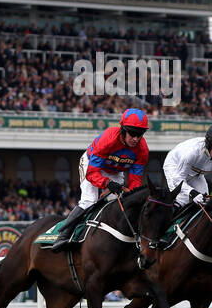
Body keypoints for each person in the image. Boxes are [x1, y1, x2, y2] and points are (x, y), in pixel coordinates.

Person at [49, 108, 150, 252]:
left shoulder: (143, 149)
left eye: (140, 134)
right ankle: (63, 236)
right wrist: (107, 183)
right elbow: (92, 173)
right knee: (89, 200)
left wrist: (133, 197)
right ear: (123, 130)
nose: (136, 139)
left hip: (114, 171)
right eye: (133, 133)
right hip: (92, 165)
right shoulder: (108, 139)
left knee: (123, 203)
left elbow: (135, 181)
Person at [163, 123, 212, 209]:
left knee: (204, 200)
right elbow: (178, 180)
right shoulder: (193, 152)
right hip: (175, 165)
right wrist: (192, 193)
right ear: (208, 144)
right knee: (183, 199)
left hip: (195, 173)